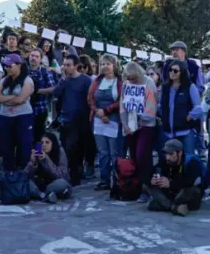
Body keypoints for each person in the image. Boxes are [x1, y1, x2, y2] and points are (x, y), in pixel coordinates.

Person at [120, 61, 158, 202]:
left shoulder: (148, 83)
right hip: (130, 125)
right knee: (134, 157)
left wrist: (140, 120)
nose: (132, 81)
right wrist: (125, 124)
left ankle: (147, 188)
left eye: (134, 79)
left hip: (146, 125)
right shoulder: (126, 84)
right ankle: (136, 187)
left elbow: (152, 106)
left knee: (143, 156)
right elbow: (122, 105)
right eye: (129, 79)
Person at [53, 54, 93, 185]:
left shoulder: (86, 80)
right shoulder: (64, 80)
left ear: (76, 65)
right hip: (66, 119)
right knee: (66, 148)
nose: (66, 68)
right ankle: (70, 173)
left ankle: (77, 173)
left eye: (68, 65)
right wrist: (62, 81)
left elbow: (91, 98)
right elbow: (56, 94)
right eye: (64, 65)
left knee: (78, 148)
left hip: (82, 120)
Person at [0, 53, 35, 173]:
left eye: (10, 66)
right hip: (5, 117)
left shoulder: (27, 80)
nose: (7, 68)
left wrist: (5, 99)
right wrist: (13, 98)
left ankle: (24, 175)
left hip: (23, 117)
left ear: (19, 65)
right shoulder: (4, 80)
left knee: (24, 147)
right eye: (5, 66)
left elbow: (21, 99)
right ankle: (9, 175)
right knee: (6, 147)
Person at [89, 54, 123, 191]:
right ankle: (104, 180)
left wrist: (107, 110)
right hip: (98, 119)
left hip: (114, 119)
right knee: (102, 152)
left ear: (114, 65)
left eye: (108, 64)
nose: (105, 67)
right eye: (102, 64)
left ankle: (117, 180)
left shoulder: (120, 81)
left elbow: (122, 99)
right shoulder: (97, 81)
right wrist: (97, 111)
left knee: (115, 152)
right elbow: (90, 98)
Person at [158, 59, 204, 157]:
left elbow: (198, 108)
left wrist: (189, 116)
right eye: (170, 70)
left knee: (188, 159)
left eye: (175, 71)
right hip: (168, 132)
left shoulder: (190, 86)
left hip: (186, 131)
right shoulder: (165, 87)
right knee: (168, 160)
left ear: (182, 72)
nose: (172, 72)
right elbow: (161, 105)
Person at [147, 139, 203, 216]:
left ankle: (165, 204)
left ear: (179, 153)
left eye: (170, 154)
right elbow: (149, 172)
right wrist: (152, 179)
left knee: (191, 189)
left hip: (186, 193)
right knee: (148, 185)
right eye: (166, 154)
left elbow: (190, 181)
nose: (167, 157)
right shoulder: (167, 161)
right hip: (172, 194)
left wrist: (170, 184)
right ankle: (174, 207)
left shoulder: (192, 162)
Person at [24, 132, 72, 203]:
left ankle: (42, 195)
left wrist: (46, 159)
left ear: (53, 144)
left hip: (53, 185)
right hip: (40, 186)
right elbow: (25, 175)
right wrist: (32, 162)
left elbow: (61, 176)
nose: (44, 145)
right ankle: (44, 196)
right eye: (42, 142)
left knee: (63, 183)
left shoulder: (60, 152)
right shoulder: (38, 153)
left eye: (47, 142)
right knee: (24, 182)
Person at [28, 49, 59, 145]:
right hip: (25, 109)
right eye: (32, 55)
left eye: (36, 56)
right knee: (25, 137)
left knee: (39, 137)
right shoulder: (24, 71)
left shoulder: (45, 72)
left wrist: (36, 91)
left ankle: (38, 157)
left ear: (40, 59)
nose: (33, 58)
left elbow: (53, 88)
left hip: (40, 110)